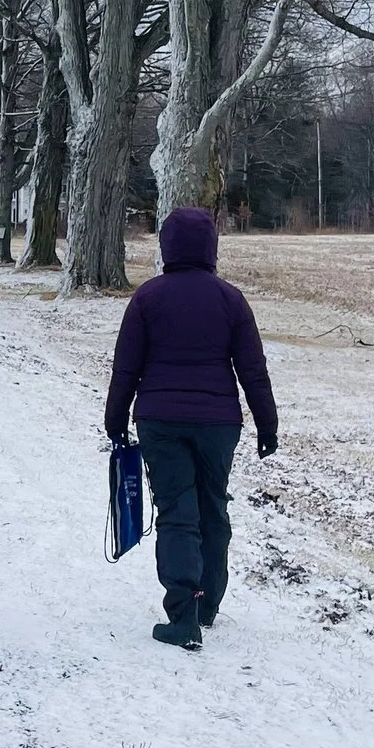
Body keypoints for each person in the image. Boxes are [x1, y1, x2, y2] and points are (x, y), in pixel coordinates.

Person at [103, 206, 278, 651]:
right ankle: (208, 604)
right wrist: (267, 425)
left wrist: (116, 419)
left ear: (166, 248)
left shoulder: (147, 298)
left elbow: (127, 368)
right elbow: (252, 371)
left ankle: (183, 613)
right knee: (212, 506)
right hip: (219, 423)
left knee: (177, 511)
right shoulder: (230, 299)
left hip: (160, 420)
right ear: (211, 249)